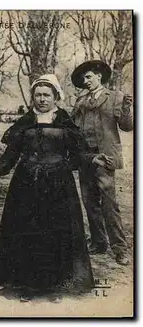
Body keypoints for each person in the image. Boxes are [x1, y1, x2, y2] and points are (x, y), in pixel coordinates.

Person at [0, 74, 100, 302]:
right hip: (26, 183)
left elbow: (78, 152)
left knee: (56, 232)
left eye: (47, 95)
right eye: (38, 95)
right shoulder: (25, 122)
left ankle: (53, 286)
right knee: (27, 232)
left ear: (56, 97)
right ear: (33, 97)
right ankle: (27, 285)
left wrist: (93, 159)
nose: (42, 99)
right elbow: (12, 153)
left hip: (58, 184)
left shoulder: (65, 122)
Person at [70, 60, 133, 266]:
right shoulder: (80, 101)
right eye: (83, 79)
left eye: (88, 77)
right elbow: (72, 127)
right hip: (85, 158)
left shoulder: (115, 97)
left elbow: (127, 126)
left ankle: (120, 248)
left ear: (99, 76)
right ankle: (99, 243)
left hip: (105, 158)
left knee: (109, 204)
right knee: (89, 202)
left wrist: (126, 109)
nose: (85, 81)